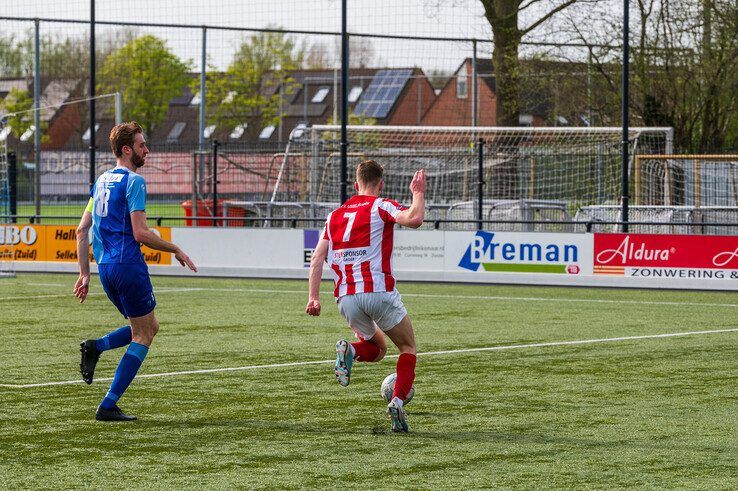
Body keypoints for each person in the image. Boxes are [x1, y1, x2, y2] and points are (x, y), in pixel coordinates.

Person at [74, 121, 197, 421]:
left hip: (106, 270)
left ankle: (96, 346)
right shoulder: (134, 182)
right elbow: (140, 233)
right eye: (142, 145)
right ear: (127, 149)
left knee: (146, 326)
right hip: (129, 267)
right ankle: (107, 405)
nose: (147, 150)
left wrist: (84, 274)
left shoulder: (101, 181)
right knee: (144, 334)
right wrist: (175, 248)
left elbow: (80, 231)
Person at [306, 160, 426, 432]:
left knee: (378, 349)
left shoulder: (334, 216)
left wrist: (313, 297)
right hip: (377, 291)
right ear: (380, 183)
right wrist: (418, 192)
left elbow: (316, 259)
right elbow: (414, 219)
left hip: (346, 298)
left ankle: (350, 350)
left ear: (355, 184)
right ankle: (397, 401)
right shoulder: (380, 205)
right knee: (407, 348)